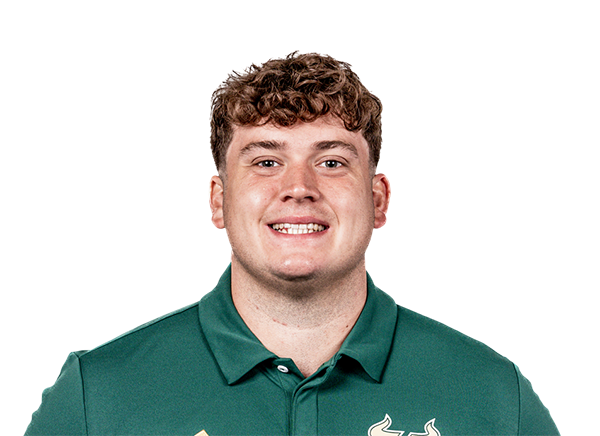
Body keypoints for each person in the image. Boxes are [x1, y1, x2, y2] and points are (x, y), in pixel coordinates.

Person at [26, 53, 559, 436]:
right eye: (266, 161)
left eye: (331, 161)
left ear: (377, 199)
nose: (298, 187)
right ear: (218, 201)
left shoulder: (493, 398)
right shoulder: (97, 399)